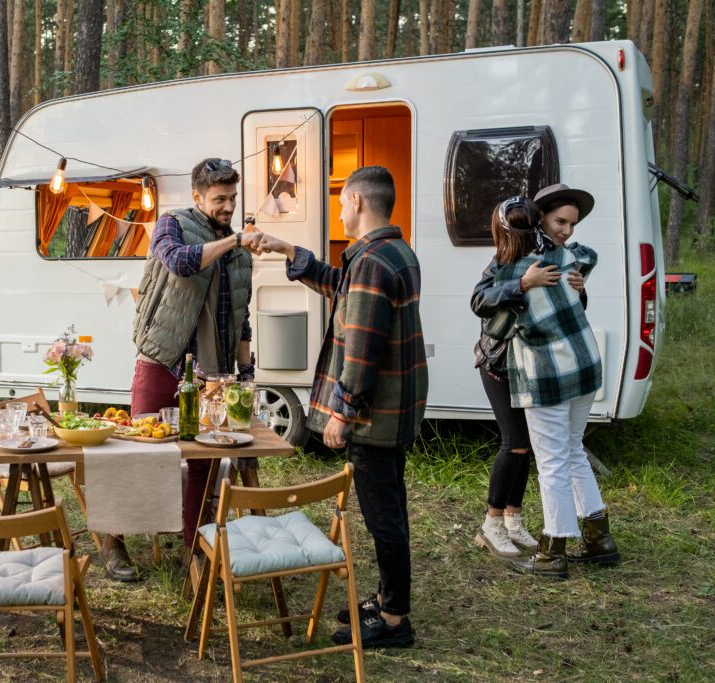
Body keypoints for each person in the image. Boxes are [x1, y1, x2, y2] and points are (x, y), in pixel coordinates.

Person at [253, 166, 427, 649]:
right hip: (396, 410)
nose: (339, 209)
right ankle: (390, 598)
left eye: (341, 201)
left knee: (383, 516)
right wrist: (288, 251)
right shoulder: (393, 251)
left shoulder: (372, 262)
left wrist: (341, 412)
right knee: (391, 506)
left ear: (355, 200)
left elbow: (362, 348)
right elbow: (341, 287)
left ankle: (394, 619)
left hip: (374, 416)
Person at [120, 158, 261, 582]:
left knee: (204, 462)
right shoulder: (171, 224)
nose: (227, 206)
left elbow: (242, 312)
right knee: (134, 453)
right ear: (197, 197)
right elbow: (179, 262)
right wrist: (233, 240)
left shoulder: (239, 251)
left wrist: (245, 370)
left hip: (211, 372)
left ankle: (192, 547)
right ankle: (115, 540)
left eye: (232, 198)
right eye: (219, 199)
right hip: (161, 358)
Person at [488, 186, 620, 579]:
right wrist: (575, 278)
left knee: (551, 463)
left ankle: (553, 552)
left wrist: (559, 285)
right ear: (539, 218)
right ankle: (599, 540)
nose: (566, 230)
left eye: (570, 224)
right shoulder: (571, 257)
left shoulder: (514, 267)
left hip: (548, 374)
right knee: (573, 451)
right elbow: (588, 256)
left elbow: (480, 299)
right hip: (585, 367)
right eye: (560, 221)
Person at [470, 203, 586, 558]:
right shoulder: (502, 263)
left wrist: (579, 290)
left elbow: (566, 310)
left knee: (527, 446)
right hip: (499, 365)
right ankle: (490, 526)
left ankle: (512, 521)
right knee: (516, 442)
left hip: (531, 368)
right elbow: (479, 300)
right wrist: (523, 283)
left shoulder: (550, 257)